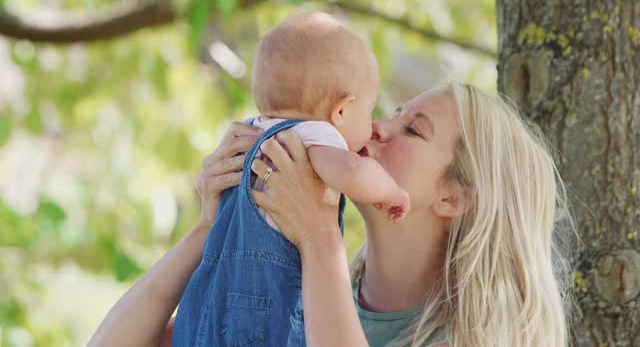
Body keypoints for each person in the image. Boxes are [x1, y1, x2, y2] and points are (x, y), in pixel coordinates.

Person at [90, 83, 573, 347]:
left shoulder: (471, 340)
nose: (378, 126)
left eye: (413, 130)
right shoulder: (293, 287)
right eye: (395, 112)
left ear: (456, 197)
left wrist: (320, 237)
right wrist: (207, 230)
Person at [170, 11, 409, 346]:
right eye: (368, 112)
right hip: (262, 309)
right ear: (341, 111)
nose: (373, 128)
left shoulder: (252, 133)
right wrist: (393, 191)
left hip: (208, 301)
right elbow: (352, 172)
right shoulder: (315, 136)